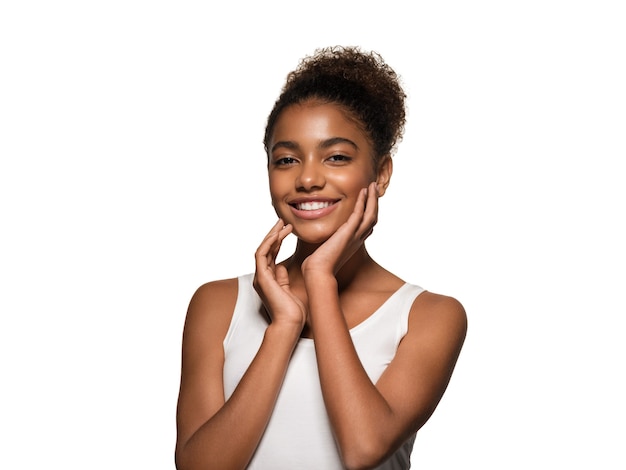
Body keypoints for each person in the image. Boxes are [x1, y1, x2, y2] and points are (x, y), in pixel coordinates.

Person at [175, 46, 467, 470]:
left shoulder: (429, 316)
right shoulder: (217, 304)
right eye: (287, 159)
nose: (308, 179)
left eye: (336, 157)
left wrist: (319, 279)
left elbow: (362, 449)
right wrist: (284, 327)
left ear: (381, 173)